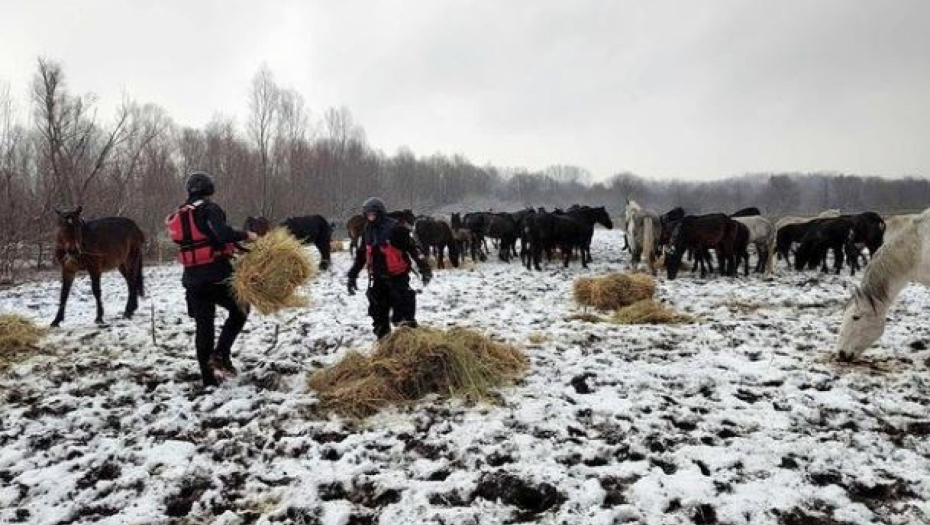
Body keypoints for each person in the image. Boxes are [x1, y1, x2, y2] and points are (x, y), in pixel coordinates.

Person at [166, 171, 258, 388]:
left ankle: (208, 379)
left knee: (204, 327)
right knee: (241, 308)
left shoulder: (179, 213)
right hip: (217, 275)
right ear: (209, 189)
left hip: (192, 279)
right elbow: (222, 234)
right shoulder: (209, 208)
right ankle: (221, 354)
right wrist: (247, 235)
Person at [347, 197, 432, 339]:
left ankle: (409, 341)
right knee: (378, 314)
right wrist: (352, 276)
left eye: (372, 215)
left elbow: (414, 250)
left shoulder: (396, 229)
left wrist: (424, 269)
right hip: (378, 279)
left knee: (403, 315)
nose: (370, 218)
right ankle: (384, 341)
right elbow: (361, 256)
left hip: (398, 278)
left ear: (380, 213)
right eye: (367, 215)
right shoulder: (367, 232)